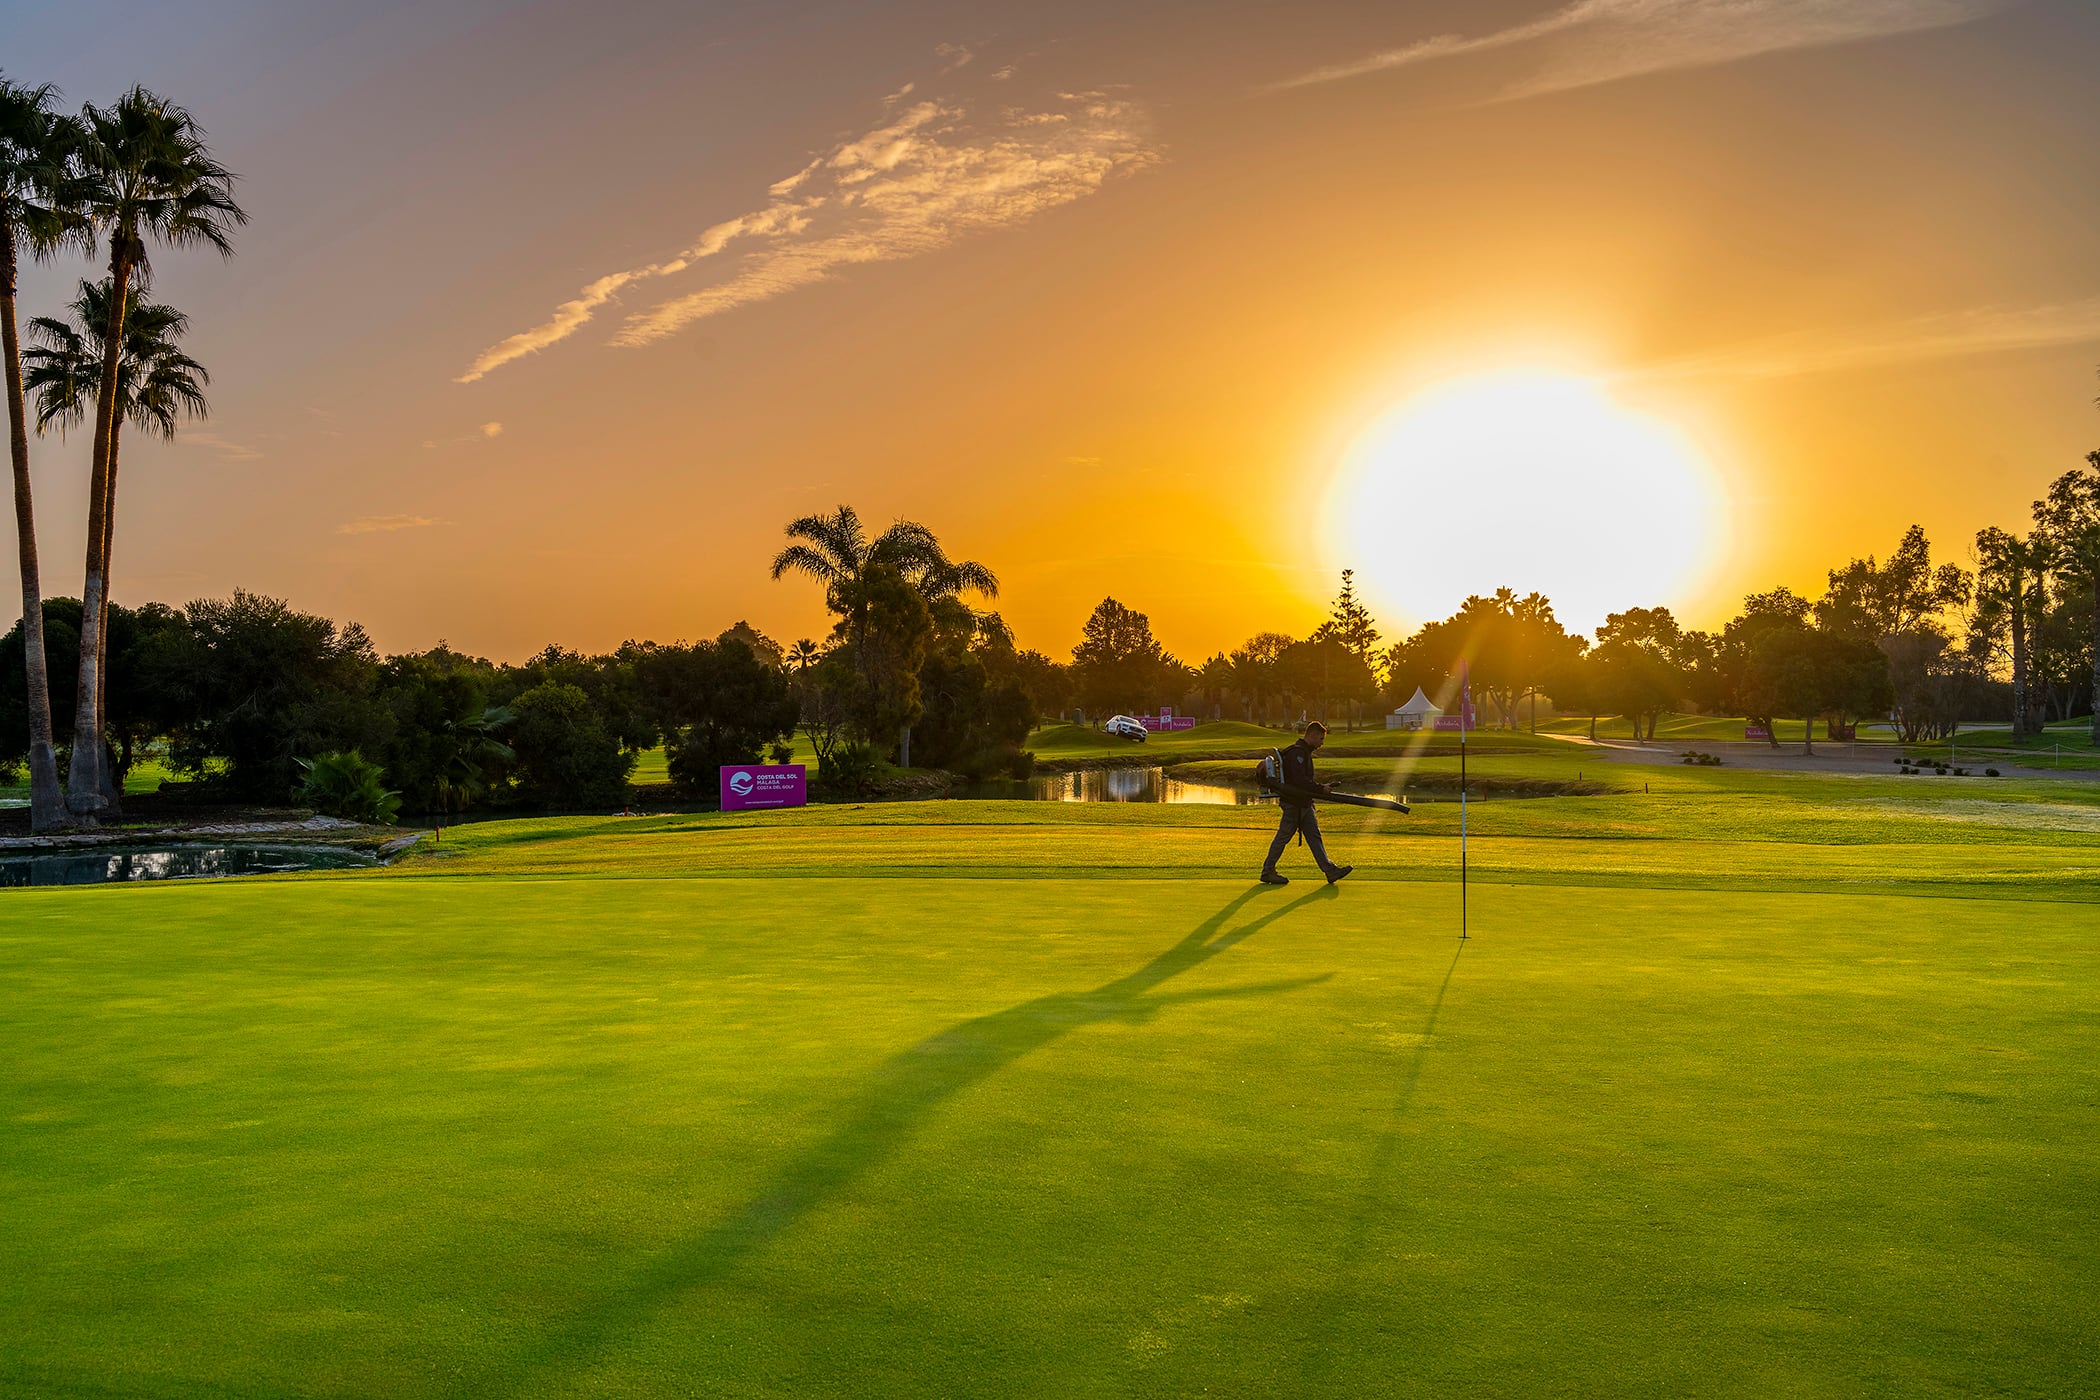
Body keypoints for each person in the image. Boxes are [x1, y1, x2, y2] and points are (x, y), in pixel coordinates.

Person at [1260, 720, 1353, 886]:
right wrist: (1320, 789)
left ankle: (1329, 870)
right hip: (1294, 804)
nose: (1321, 743)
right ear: (1313, 735)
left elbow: (1302, 781)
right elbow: (1299, 780)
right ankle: (1268, 871)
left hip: (1303, 803)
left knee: (1314, 836)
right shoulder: (1298, 754)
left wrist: (1314, 794)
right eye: (1321, 739)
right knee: (1283, 837)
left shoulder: (1302, 752)